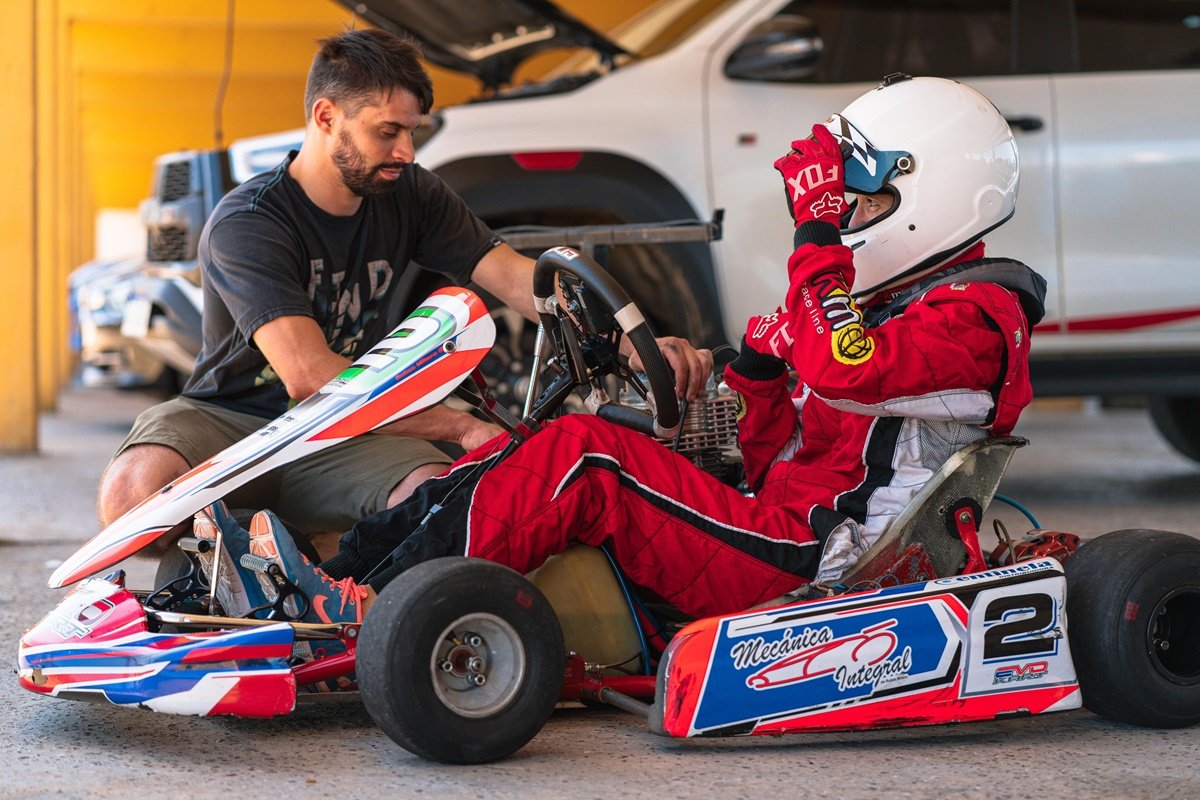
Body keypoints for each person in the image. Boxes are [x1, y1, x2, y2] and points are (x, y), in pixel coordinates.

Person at [203, 73, 1049, 626]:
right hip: (781, 517)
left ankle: (375, 610)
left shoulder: (978, 312)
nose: (848, 220)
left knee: (589, 461)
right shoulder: (874, 301)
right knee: (542, 440)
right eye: (845, 207)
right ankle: (331, 583)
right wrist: (729, 370)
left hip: (827, 557)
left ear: (927, 198)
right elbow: (774, 422)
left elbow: (843, 366)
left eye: (865, 203)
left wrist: (817, 233)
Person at [97, 28, 710, 560]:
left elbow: (520, 280)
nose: (407, 152)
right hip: (234, 421)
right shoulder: (248, 222)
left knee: (438, 502)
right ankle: (288, 545)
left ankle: (312, 555)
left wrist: (636, 344)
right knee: (133, 497)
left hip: (347, 434)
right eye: (388, 131)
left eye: (412, 132)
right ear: (326, 116)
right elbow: (309, 376)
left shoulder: (411, 193)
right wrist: (458, 425)